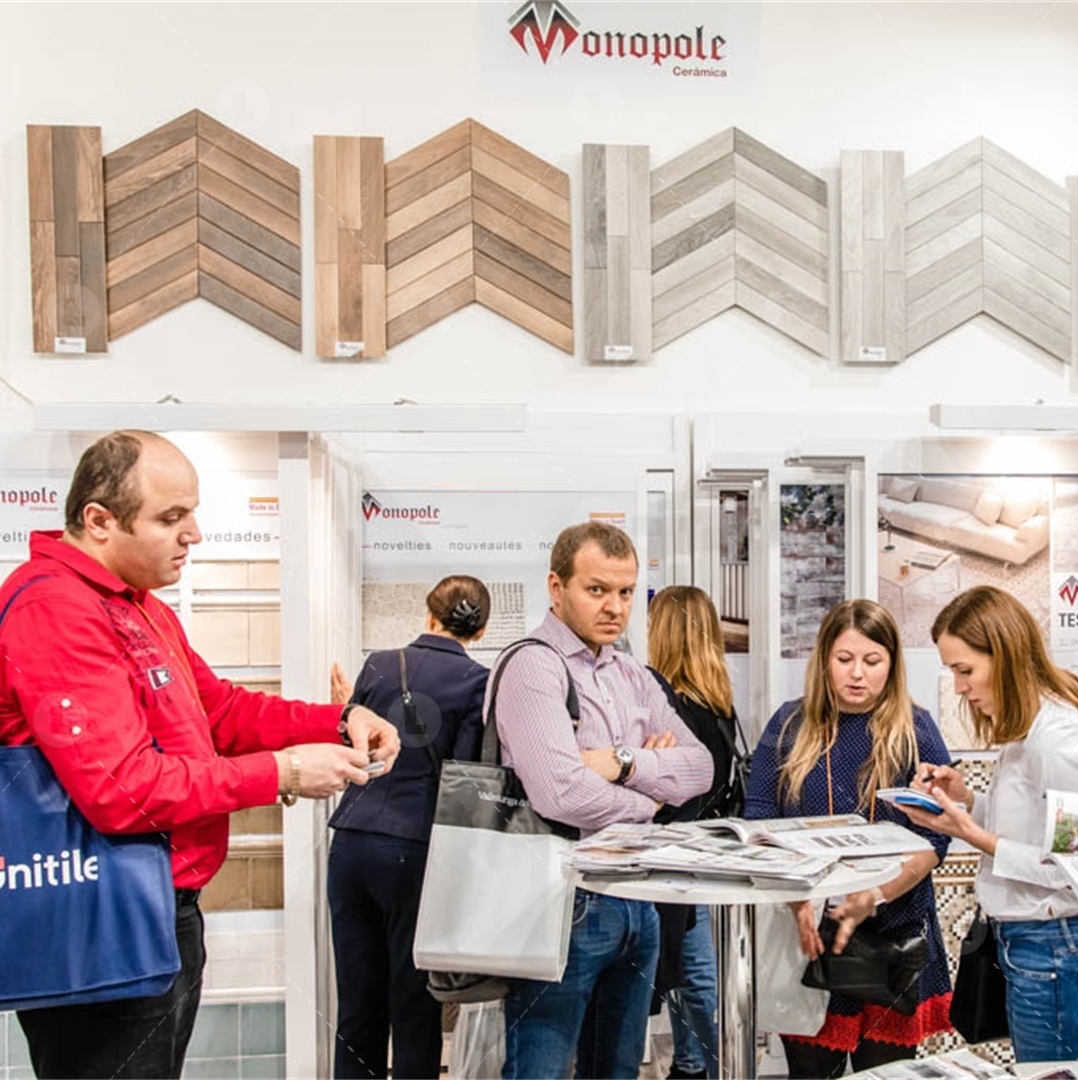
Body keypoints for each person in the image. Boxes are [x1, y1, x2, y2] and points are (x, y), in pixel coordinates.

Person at [0, 430, 400, 1080]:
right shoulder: (56, 608)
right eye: (170, 517)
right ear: (99, 521)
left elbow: (219, 711)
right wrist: (286, 772)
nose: (194, 534)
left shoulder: (138, 606)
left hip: (161, 906)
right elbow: (123, 790)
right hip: (103, 915)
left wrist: (337, 719)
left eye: (191, 513)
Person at [491, 522, 713, 1080]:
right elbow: (561, 791)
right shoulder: (534, 666)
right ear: (556, 587)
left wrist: (624, 762)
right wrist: (650, 802)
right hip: (562, 896)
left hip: (638, 895)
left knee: (617, 1070)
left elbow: (702, 767)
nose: (615, 607)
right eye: (597, 590)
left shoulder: (629, 672)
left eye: (625, 591)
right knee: (539, 1071)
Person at [896, 584, 1078, 1064]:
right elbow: (1028, 831)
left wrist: (966, 832)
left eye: (965, 670)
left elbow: (1070, 868)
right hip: (1036, 948)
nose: (959, 687)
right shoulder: (1027, 734)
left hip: (1057, 951)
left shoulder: (1057, 743)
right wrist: (965, 801)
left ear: (1005, 655)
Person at [747, 599, 952, 1079]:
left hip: (894, 935)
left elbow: (934, 839)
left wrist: (873, 896)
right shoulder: (789, 725)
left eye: (872, 661)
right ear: (824, 659)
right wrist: (796, 896)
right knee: (811, 1072)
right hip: (810, 936)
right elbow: (759, 819)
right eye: (844, 659)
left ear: (892, 664)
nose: (857, 674)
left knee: (885, 1074)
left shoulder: (917, 729)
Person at [328, 575, 492, 1079]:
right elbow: (464, 776)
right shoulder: (478, 681)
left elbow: (355, 742)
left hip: (351, 840)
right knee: (414, 1000)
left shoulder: (379, 663)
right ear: (480, 631)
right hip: (416, 849)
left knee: (357, 998)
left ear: (429, 614)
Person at [646, 585, 742, 1080]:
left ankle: (701, 1065)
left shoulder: (668, 705)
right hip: (703, 846)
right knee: (694, 969)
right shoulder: (719, 704)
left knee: (688, 968)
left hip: (669, 849)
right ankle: (695, 1063)